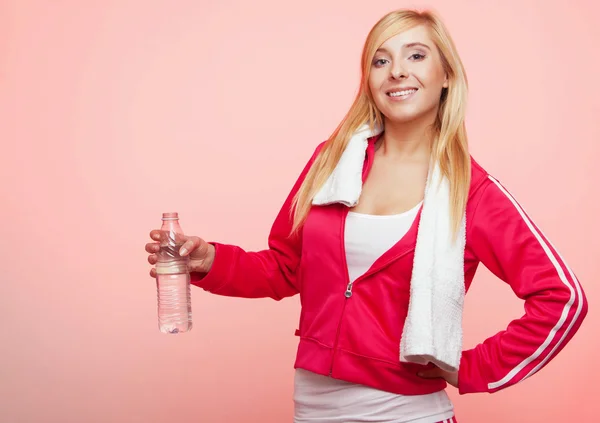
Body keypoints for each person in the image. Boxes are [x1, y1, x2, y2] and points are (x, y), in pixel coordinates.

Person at [145, 8, 588, 423]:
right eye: (381, 60)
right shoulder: (332, 161)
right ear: (369, 79)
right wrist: (211, 261)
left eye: (416, 55)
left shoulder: (469, 191)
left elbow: (563, 298)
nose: (397, 70)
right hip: (313, 409)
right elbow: (285, 268)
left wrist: (472, 368)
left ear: (447, 75)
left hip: (408, 414)